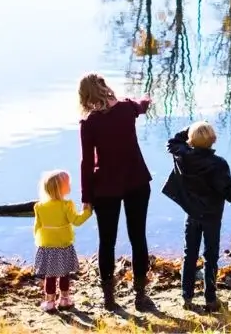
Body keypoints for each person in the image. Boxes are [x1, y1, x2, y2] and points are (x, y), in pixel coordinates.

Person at [78, 73, 154, 311]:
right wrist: (145, 98)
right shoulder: (127, 108)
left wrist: (86, 197)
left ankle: (109, 299)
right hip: (137, 180)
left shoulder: (89, 122)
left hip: (105, 187)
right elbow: (141, 106)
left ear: (85, 96)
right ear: (104, 87)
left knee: (107, 242)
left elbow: (86, 162)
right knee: (138, 237)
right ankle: (140, 296)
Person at [164, 121, 231, 312]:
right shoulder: (218, 164)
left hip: (192, 212)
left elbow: (173, 140)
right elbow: (229, 191)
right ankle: (210, 299)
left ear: (190, 140)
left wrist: (192, 129)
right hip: (212, 215)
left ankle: (186, 297)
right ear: (213, 140)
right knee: (211, 256)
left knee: (190, 254)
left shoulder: (182, 155)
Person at [33, 170, 92, 312]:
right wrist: (87, 211)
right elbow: (76, 221)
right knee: (64, 274)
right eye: (67, 183)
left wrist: (40, 243)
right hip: (64, 246)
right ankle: (64, 300)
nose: (70, 185)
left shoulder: (39, 206)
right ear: (60, 188)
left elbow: (37, 227)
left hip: (47, 247)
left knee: (50, 276)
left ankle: (49, 302)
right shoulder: (67, 205)